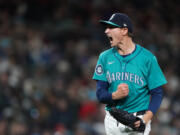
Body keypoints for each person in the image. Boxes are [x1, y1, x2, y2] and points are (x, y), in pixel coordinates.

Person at [92, 13, 167, 135]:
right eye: (106, 28)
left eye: (111, 27)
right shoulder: (104, 57)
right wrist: (115, 95)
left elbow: (157, 93)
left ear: (124, 30)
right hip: (112, 120)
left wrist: (146, 118)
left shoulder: (147, 58)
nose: (106, 31)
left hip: (137, 120)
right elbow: (100, 94)